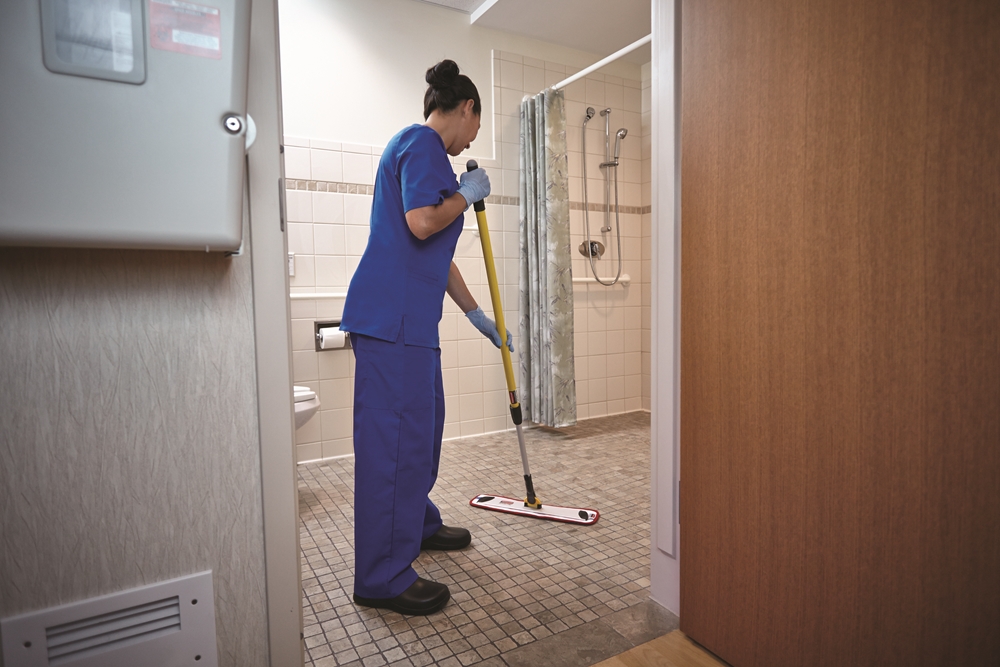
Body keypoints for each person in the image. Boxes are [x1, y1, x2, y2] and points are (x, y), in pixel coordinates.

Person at [339, 59, 513, 616]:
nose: (470, 144)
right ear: (466, 110)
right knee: (393, 446)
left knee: (422, 432)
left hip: (412, 323)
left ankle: (415, 524)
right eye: (477, 128)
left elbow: (437, 257)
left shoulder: (430, 157)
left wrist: (475, 315)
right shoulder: (421, 143)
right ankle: (381, 577)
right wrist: (466, 195)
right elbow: (421, 222)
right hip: (392, 321)